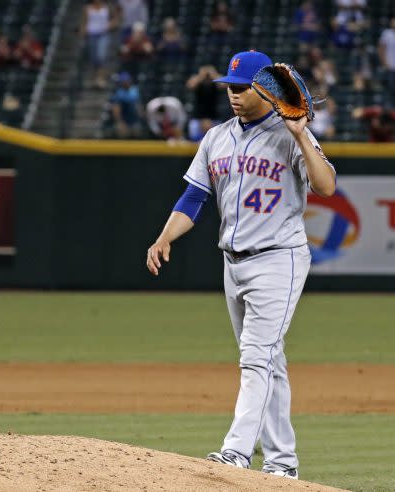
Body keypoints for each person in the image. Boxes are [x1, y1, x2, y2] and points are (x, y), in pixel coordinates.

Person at [145, 51, 336, 479]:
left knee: (255, 357)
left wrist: (302, 135)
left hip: (279, 259)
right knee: (269, 361)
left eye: (242, 87)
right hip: (233, 263)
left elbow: (325, 185)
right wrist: (163, 238)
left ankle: (235, 452)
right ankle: (283, 464)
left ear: (265, 89)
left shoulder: (289, 135)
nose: (233, 95)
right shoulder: (216, 138)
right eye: (229, 87)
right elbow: (193, 198)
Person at [81, 0, 117, 88]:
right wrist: (83, 32)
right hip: (91, 34)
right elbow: (84, 22)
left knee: (101, 56)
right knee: (94, 58)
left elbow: (115, 19)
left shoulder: (107, 8)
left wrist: (109, 25)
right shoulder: (87, 8)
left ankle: (101, 78)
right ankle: (94, 78)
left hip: (103, 34)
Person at [185, 65, 222, 141]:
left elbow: (224, 84)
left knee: (216, 140)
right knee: (194, 139)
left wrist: (213, 74)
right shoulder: (199, 83)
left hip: (213, 117)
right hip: (197, 117)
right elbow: (190, 85)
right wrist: (201, 76)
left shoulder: (215, 83)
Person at [109, 71, 143, 138]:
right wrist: (120, 122)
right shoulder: (119, 93)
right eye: (123, 81)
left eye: (126, 80)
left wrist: (141, 116)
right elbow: (116, 109)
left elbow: (138, 105)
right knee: (122, 134)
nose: (125, 82)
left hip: (134, 120)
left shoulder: (135, 90)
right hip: (124, 120)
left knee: (138, 133)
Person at [379, 17, 395, 105]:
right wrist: (384, 63)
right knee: (390, 89)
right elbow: (381, 49)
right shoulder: (387, 33)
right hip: (390, 67)